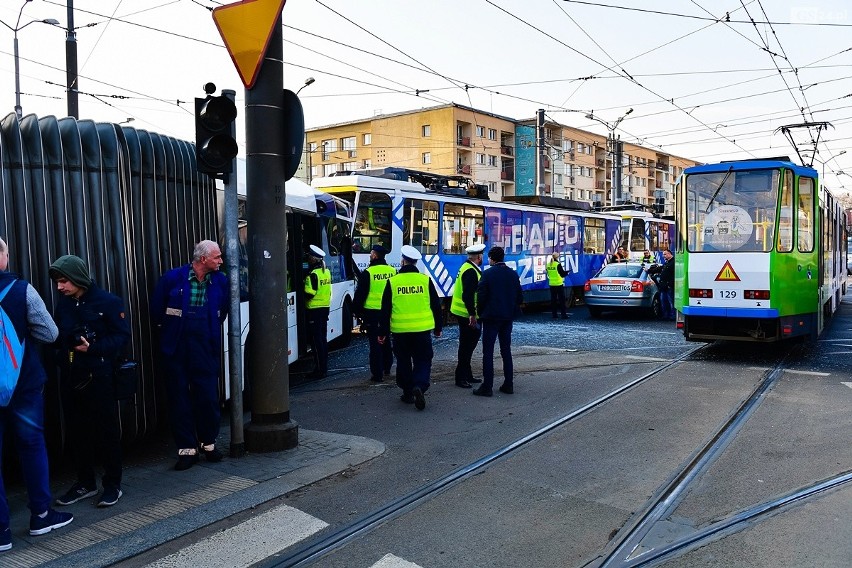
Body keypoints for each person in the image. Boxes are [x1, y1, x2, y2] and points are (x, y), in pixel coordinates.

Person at [0, 238, 73, 552]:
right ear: (4, 257)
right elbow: (51, 333)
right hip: (24, 385)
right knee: (31, 446)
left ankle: (1, 533)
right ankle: (41, 516)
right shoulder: (21, 289)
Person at [50, 255, 131, 508]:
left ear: (78, 278)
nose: (59, 287)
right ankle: (85, 482)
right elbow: (56, 335)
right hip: (72, 377)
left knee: (106, 432)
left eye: (64, 281)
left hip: (100, 376)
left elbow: (121, 337)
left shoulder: (108, 301)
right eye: (57, 282)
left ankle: (112, 484)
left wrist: (93, 348)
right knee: (77, 432)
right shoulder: (63, 304)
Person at [151, 240, 229, 471]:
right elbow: (157, 309)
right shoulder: (173, 278)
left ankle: (209, 443)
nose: (221, 261)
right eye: (217, 257)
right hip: (177, 346)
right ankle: (187, 450)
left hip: (204, 344)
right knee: (179, 398)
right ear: (203, 259)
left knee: (206, 395)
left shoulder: (220, 281)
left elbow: (221, 311)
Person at [378, 245, 442, 411]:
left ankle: (407, 393)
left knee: (403, 361)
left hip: (400, 332)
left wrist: (382, 332)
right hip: (422, 331)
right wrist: (438, 327)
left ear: (403, 261)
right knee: (423, 360)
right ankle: (419, 386)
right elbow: (436, 305)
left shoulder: (392, 282)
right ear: (415, 263)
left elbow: (385, 310)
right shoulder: (425, 280)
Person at [473, 246, 523, 397]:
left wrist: (480, 313)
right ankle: (509, 384)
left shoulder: (487, 274)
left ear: (492, 259)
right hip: (507, 318)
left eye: (489, 258)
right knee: (505, 350)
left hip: (491, 318)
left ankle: (487, 386)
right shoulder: (513, 275)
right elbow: (519, 298)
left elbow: (481, 297)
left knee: (488, 352)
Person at [352, 244, 395, 382]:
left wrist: (356, 311)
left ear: (375, 255)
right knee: (386, 340)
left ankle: (377, 374)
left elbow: (360, 295)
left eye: (371, 253)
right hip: (388, 313)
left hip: (372, 313)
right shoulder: (392, 271)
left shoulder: (368, 273)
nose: (370, 256)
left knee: (375, 344)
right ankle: (387, 367)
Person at [450, 243, 485, 388]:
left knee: (467, 346)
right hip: (467, 315)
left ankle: (467, 375)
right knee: (466, 347)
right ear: (478, 257)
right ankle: (461, 377)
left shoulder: (467, 267)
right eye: (481, 256)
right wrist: (472, 314)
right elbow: (468, 295)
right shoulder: (471, 271)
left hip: (463, 313)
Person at [304, 245, 331, 379]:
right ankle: (323, 367)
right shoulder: (326, 272)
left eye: (309, 256)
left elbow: (310, 293)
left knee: (316, 342)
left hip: (314, 310)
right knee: (322, 339)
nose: (308, 258)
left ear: (314, 259)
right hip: (325, 308)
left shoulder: (312, 275)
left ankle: (320, 370)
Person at [546, 252, 568, 319]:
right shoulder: (557, 264)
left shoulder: (548, 265)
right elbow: (562, 274)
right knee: (561, 300)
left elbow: (548, 273)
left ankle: (554, 315)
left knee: (553, 300)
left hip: (551, 284)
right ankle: (563, 315)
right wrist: (567, 273)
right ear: (557, 257)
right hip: (558, 284)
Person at [657, 249, 675, 321]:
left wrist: (669, 284)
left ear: (670, 254)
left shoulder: (673, 262)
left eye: (665, 254)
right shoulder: (667, 262)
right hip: (663, 286)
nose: (663, 256)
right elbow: (660, 269)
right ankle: (666, 315)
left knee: (670, 301)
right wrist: (649, 270)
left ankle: (672, 315)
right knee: (664, 301)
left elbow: (674, 275)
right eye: (663, 254)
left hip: (668, 286)